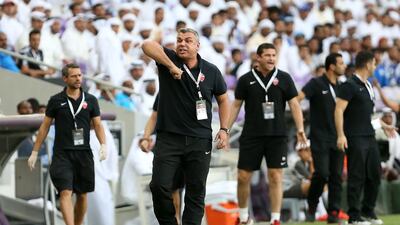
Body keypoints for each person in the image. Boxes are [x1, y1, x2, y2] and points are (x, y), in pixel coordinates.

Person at [141, 27, 230, 225]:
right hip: (169, 138)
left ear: (197, 46)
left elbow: (223, 100)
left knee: (196, 191)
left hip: (200, 139)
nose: (182, 43)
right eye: (179, 40)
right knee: (159, 186)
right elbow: (147, 45)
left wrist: (224, 129)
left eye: (188, 40)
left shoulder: (211, 70)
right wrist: (171, 66)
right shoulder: (169, 59)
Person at [227, 43, 307, 225]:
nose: (271, 58)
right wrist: (226, 130)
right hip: (251, 135)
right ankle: (244, 217)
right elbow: (236, 105)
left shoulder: (285, 78)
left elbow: (295, 104)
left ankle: (275, 219)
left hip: (277, 135)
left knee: (275, 176)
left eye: (274, 55)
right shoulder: (245, 79)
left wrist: (300, 129)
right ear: (258, 57)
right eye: (268, 55)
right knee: (243, 177)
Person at [27, 63, 107, 225]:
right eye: (74, 76)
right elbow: (44, 127)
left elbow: (98, 125)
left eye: (80, 75)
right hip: (62, 154)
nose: (78, 79)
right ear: (65, 78)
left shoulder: (91, 100)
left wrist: (103, 144)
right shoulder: (56, 100)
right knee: (65, 192)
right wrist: (35, 152)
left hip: (84, 153)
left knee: (83, 194)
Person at [335, 51, 383, 225]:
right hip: (354, 136)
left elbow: (369, 114)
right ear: (368, 64)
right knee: (357, 176)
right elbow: (338, 110)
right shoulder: (349, 85)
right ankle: (354, 216)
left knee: (375, 174)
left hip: (369, 136)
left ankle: (368, 211)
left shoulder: (368, 85)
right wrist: (340, 135)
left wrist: (384, 126)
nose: (375, 67)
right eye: (374, 64)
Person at [297, 53, 346, 223]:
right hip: (319, 138)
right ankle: (312, 203)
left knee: (336, 177)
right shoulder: (316, 83)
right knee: (322, 173)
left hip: (338, 137)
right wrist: (298, 117)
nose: (344, 66)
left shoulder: (342, 86)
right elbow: (298, 98)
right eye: (341, 63)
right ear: (331, 66)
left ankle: (333, 213)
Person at [139, 95, 184, 224]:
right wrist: (146, 138)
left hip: (187, 145)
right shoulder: (164, 90)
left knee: (177, 189)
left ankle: (178, 220)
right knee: (160, 186)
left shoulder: (191, 86)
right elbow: (154, 116)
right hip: (166, 145)